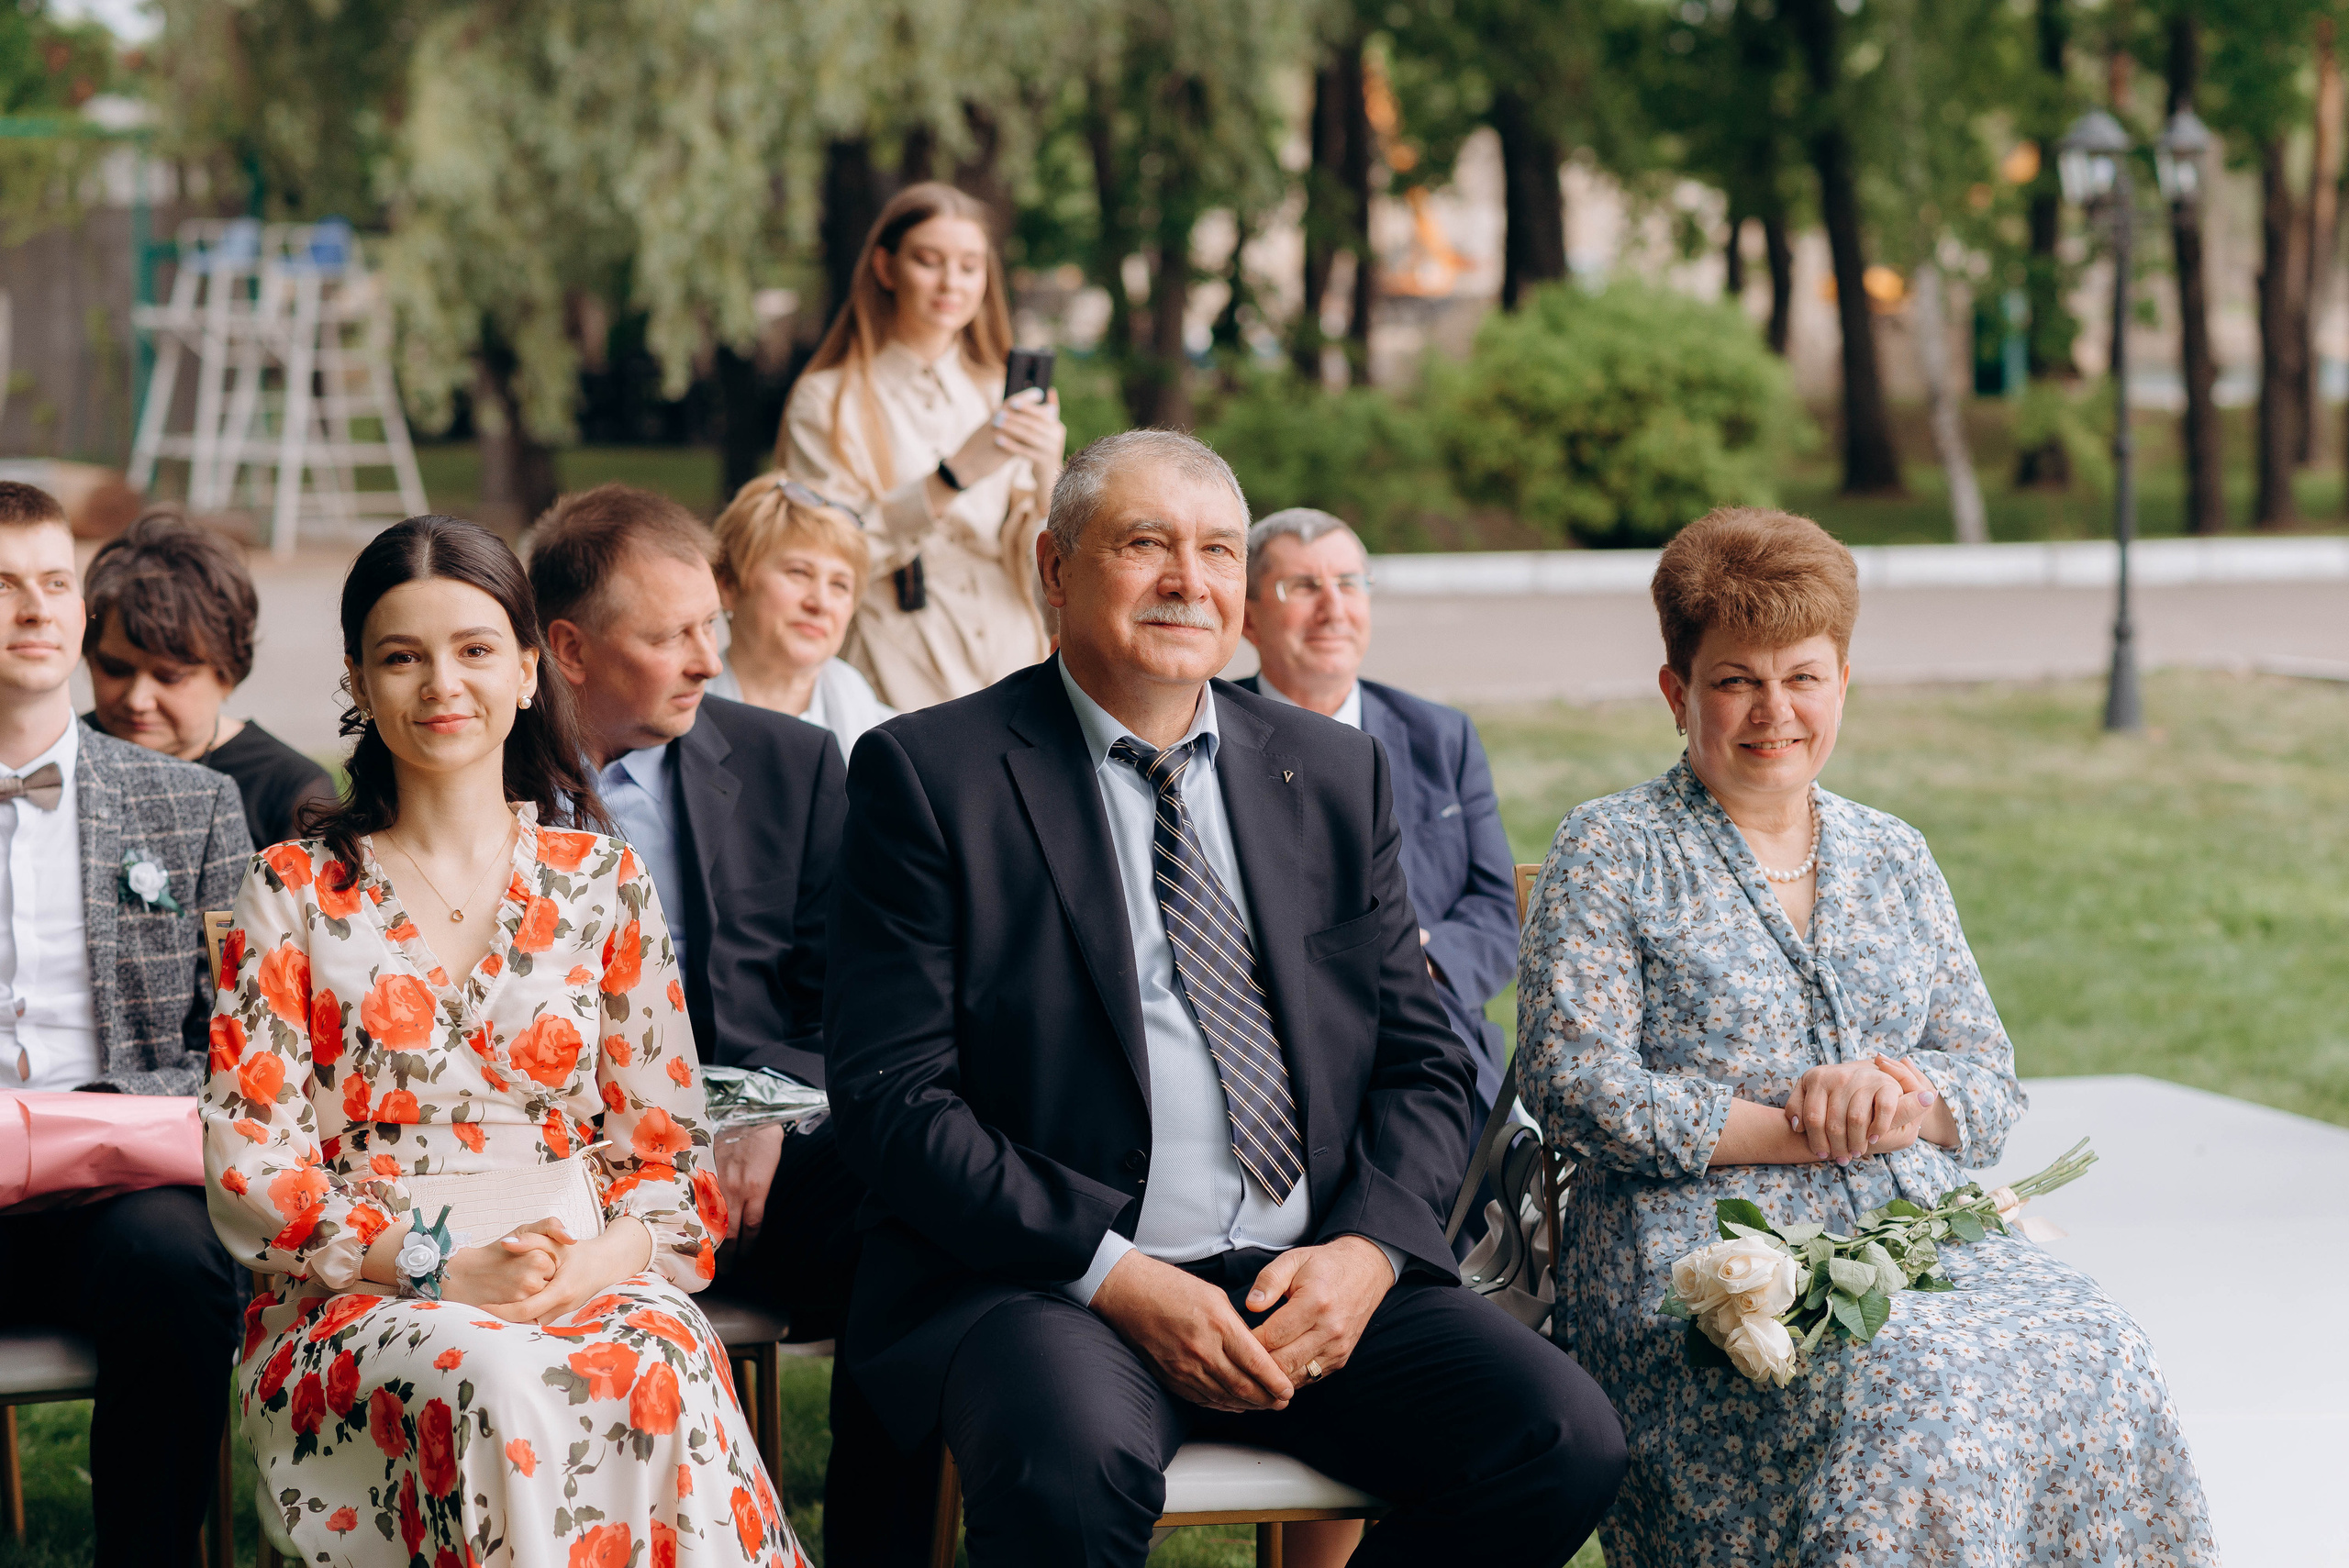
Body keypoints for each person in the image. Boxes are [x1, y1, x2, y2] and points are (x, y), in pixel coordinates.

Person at [826, 430, 1626, 1568]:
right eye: (1143, 543)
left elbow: (1424, 1056)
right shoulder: (932, 774)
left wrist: (1370, 1253)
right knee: (1069, 1470)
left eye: (1213, 550)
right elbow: (893, 1100)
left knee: (1562, 1437)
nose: (1185, 579)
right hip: (1057, 1281)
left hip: (1307, 1271)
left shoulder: (1334, 773)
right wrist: (1120, 1275)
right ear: (1054, 569)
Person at [1518, 506, 2216, 1565]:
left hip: (1915, 1239)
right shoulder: (1611, 846)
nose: (1773, 710)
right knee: (1914, 1381)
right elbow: (1572, 1082)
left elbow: (1986, 1080)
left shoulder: (1894, 853)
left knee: (2101, 1347)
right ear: (1677, 692)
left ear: (1843, 680)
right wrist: (1794, 1126)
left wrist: (1903, 1092)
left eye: (1801, 675)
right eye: (1734, 679)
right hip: (1705, 1264)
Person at [202, 514, 807, 1568]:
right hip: (364, 1296)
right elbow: (252, 1167)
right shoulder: (292, 889)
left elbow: (668, 1162)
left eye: (476, 649)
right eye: (403, 655)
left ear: (531, 669)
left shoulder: (602, 882)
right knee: (491, 1371)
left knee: (662, 1350)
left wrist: (599, 1264)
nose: (443, 682)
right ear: (357, 680)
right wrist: (441, 1267)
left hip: (581, 1268)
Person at [523, 483, 896, 1563]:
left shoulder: (793, 762)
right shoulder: (479, 777)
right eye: (668, 635)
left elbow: (855, 1003)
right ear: (569, 649)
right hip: (559, 1163)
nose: (702, 658)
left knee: (912, 1215)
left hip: (756, 1162)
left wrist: (756, 1110)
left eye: (711, 628)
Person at [0, 481, 253, 1568]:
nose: (36, 609)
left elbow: (246, 1044)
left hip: (117, 1180)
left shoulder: (189, 806)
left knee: (178, 1257)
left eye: (55, 581)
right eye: (2, 586)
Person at [1235, 507, 1518, 1111]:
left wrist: (1419, 961)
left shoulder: (1442, 736)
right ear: (1247, 617)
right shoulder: (1212, 741)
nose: (1332, 608)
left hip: (1437, 1022)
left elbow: (1498, 911)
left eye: (1349, 583)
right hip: (1279, 1049)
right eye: (1303, 586)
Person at [776, 181, 1067, 711]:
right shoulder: (827, 402)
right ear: (886, 268)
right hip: (895, 661)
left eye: (969, 265)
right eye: (929, 261)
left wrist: (1052, 472)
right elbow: (824, 552)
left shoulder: (1000, 395)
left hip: (1011, 658)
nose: (950, 282)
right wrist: (950, 477)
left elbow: (1050, 566)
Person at [83, 509, 335, 847]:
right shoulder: (53, 759)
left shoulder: (291, 791)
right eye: (115, 669)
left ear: (227, 673)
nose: (137, 700)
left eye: (170, 677)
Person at [706, 474, 897, 754]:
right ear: (728, 585)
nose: (820, 603)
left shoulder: (894, 747)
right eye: (799, 572)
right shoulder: (667, 731)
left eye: (839, 585)